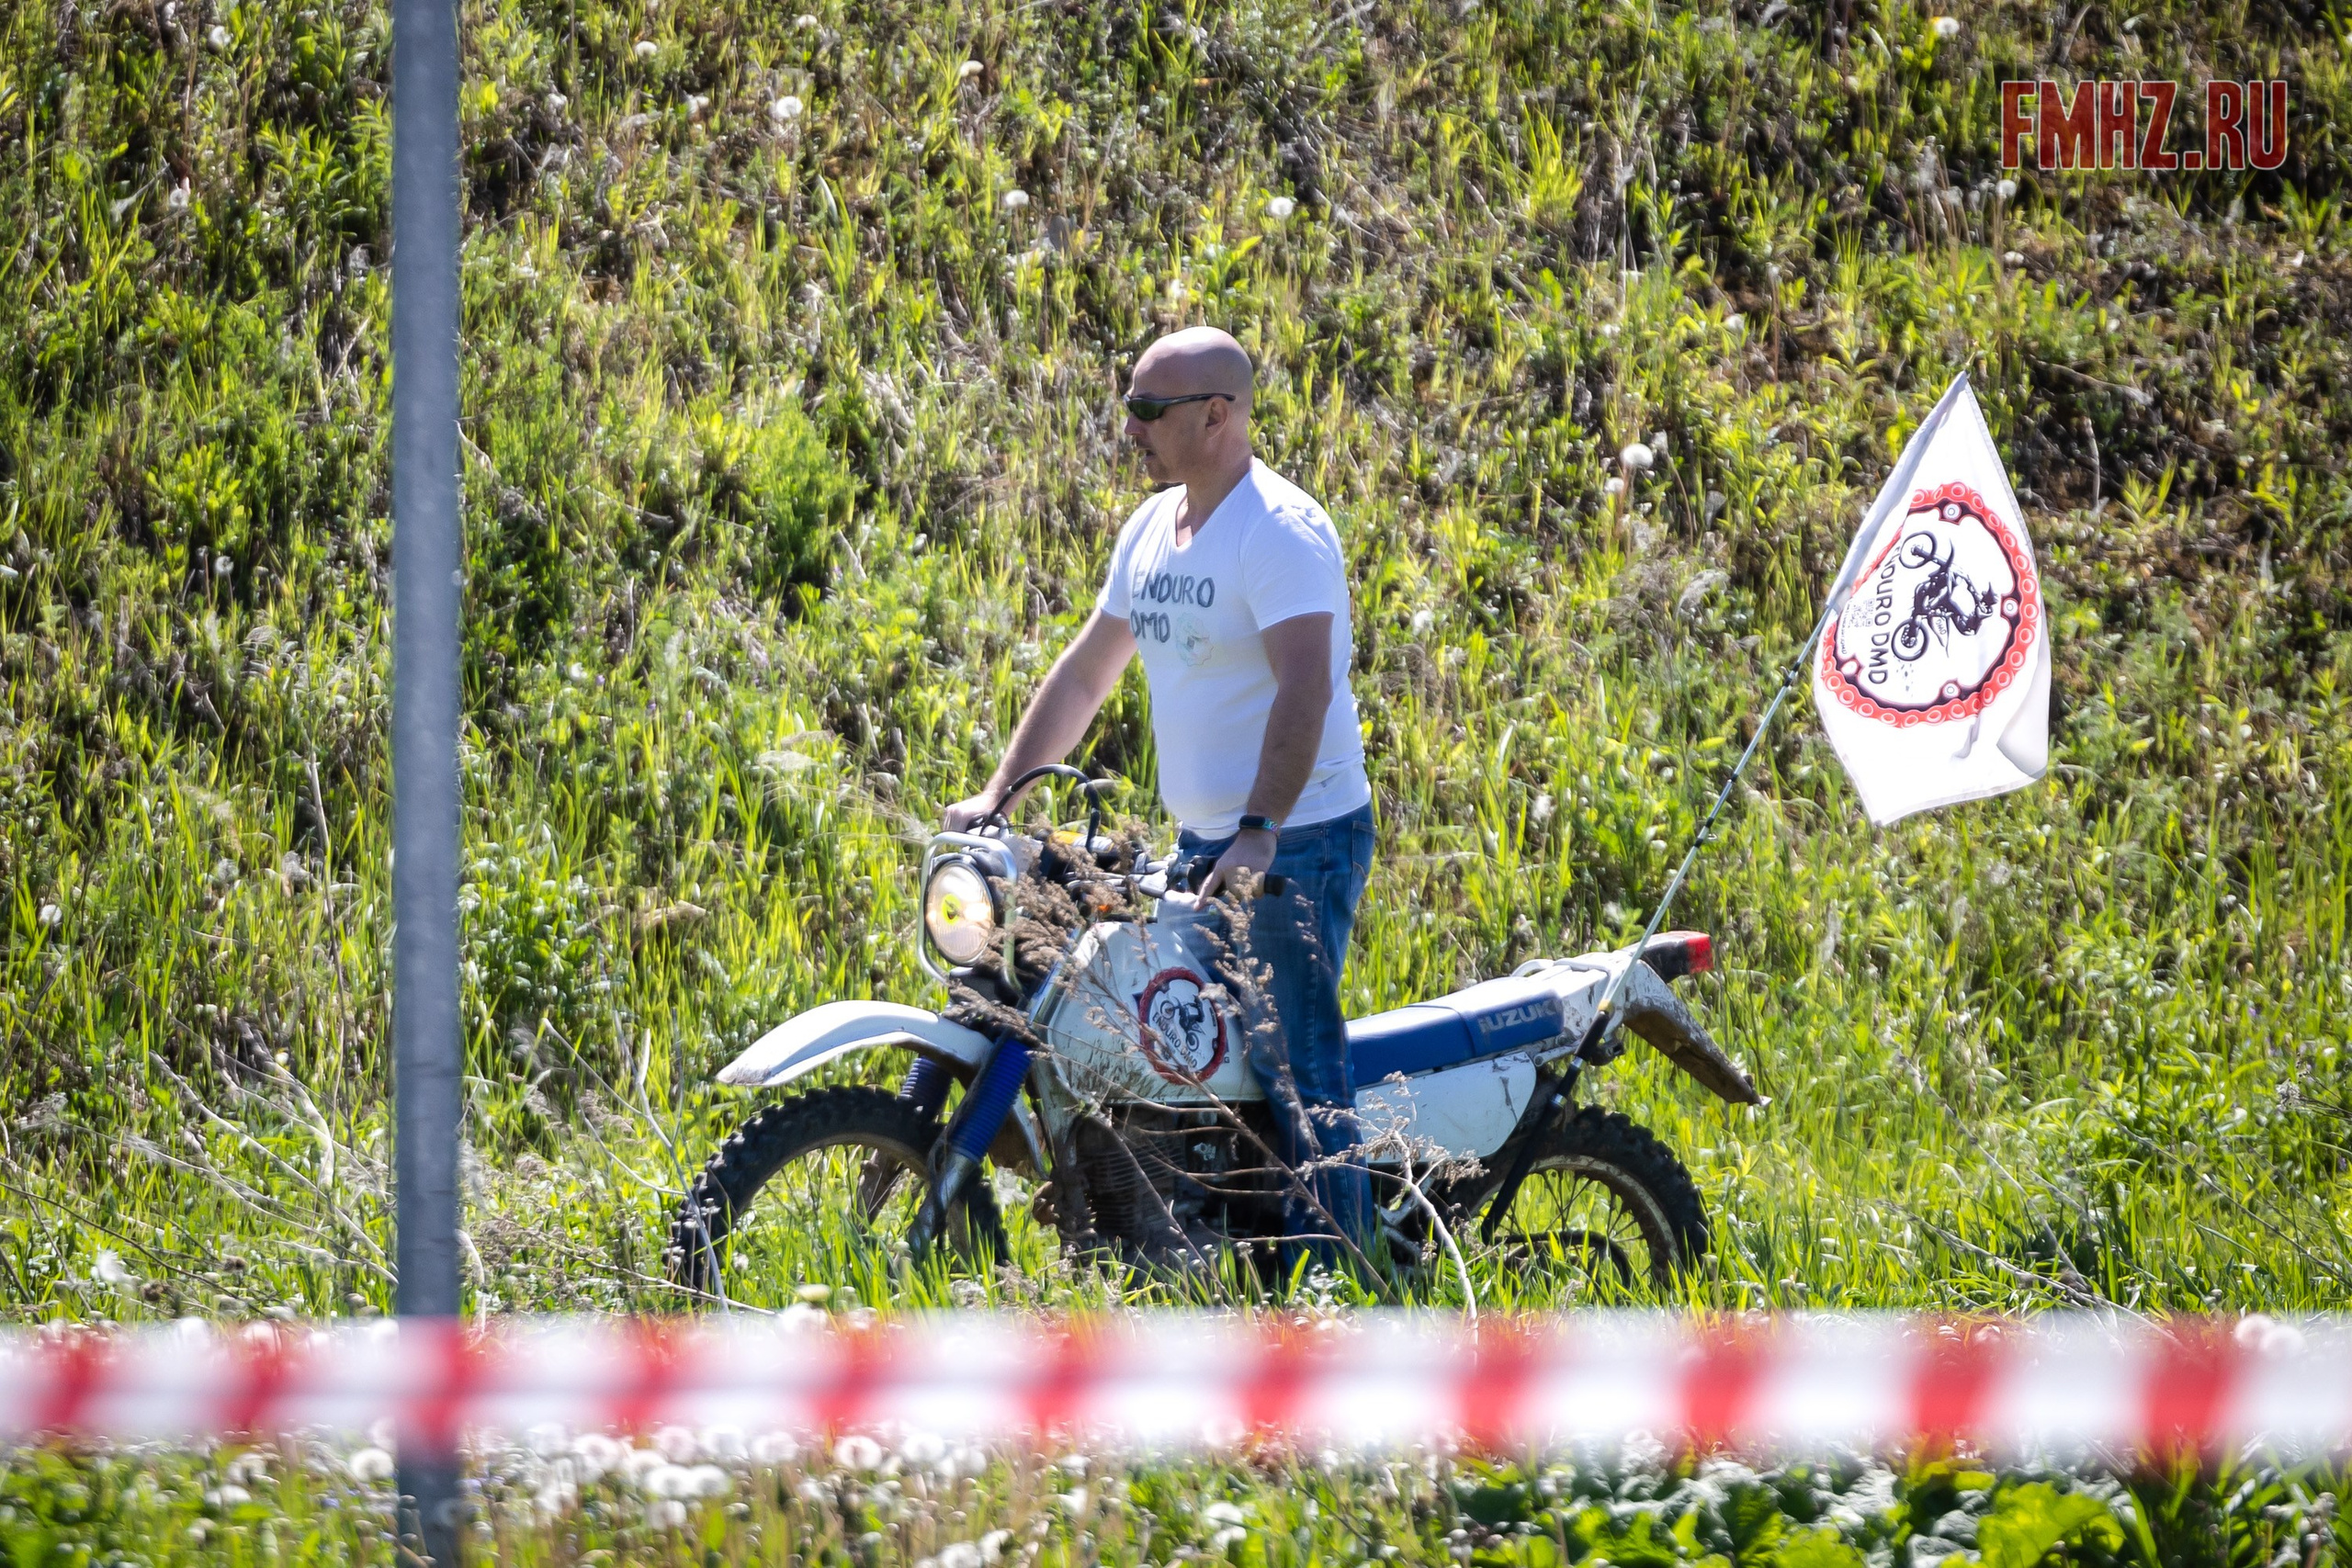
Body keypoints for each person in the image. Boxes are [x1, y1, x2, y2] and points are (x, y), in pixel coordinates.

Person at [944, 325, 1376, 1269]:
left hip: (1294, 841)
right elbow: (1089, 670)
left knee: (1294, 1063)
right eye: (1128, 402)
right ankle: (1193, 1243)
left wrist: (1259, 830)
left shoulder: (1279, 532)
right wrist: (1001, 794)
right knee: (1173, 1044)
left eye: (1148, 409)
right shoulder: (1154, 528)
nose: (1129, 426)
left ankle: (1355, 1281)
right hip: (1206, 841)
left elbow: (1308, 684)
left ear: (1216, 415)